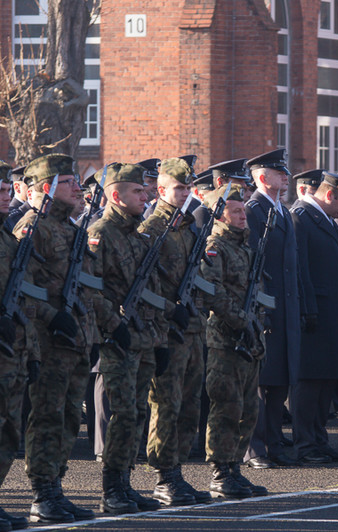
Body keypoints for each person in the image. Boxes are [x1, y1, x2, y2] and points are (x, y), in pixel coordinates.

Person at [14, 154, 96, 523]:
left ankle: (56, 486)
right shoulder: (33, 228)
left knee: (67, 418)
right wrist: (54, 317)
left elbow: (89, 286)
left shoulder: (71, 229)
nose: (77, 188)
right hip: (48, 339)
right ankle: (42, 492)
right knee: (46, 417)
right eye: (68, 183)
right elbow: (22, 288)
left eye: (77, 181)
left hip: (74, 339)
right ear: (45, 189)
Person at [88, 162, 169, 514]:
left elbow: (153, 293)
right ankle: (110, 488)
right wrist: (113, 325)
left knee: (136, 412)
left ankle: (124, 482)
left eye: (145, 190)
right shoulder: (100, 233)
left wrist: (160, 340)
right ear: (116, 196)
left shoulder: (139, 236)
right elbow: (91, 289)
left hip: (143, 338)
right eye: (138, 191)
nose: (146, 195)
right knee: (121, 413)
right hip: (117, 338)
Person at [141, 157, 210, 506]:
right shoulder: (153, 229)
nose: (183, 194)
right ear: (162, 190)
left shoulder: (188, 227)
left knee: (190, 404)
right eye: (178, 188)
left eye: (187, 188)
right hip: (166, 330)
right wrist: (171, 312)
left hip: (194, 327)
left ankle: (177, 469)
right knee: (166, 403)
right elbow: (143, 287)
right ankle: (163, 474)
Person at [200, 184, 268, 499]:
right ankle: (219, 471)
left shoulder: (246, 247)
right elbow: (212, 291)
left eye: (244, 211)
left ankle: (235, 468)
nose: (244, 216)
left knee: (248, 408)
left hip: (248, 338)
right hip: (225, 340)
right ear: (220, 215)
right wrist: (241, 322)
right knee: (226, 407)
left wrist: (257, 322)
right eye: (236, 212)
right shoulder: (215, 247)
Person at [291, 171, 338, 464]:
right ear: (330, 194)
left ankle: (319, 440)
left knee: (325, 381)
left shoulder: (328, 219)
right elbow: (300, 267)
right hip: (315, 313)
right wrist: (308, 308)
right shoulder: (302, 217)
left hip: (332, 312)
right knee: (309, 384)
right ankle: (306, 444)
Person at [243, 149, 302, 469]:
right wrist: (262, 307)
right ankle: (255, 448)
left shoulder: (280, 209)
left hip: (285, 307)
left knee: (280, 381)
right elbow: (255, 265)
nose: (286, 177)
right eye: (280, 173)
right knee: (261, 382)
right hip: (266, 309)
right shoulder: (254, 211)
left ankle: (275, 443)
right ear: (263, 178)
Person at [0, 162, 40, 531]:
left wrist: (33, 352)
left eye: (3, 191)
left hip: (13, 349)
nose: (3, 197)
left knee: (9, 428)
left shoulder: (7, 237)